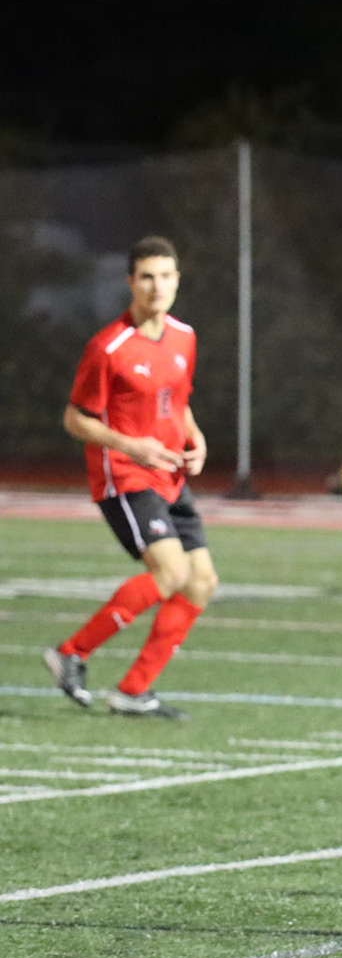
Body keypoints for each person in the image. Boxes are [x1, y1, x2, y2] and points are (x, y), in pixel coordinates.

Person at [42, 237, 215, 720]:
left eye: (166, 276)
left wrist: (196, 437)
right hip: (124, 476)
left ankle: (133, 690)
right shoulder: (108, 347)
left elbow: (176, 401)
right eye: (147, 277)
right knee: (170, 573)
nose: (157, 286)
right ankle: (71, 653)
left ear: (177, 280)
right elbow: (75, 419)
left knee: (200, 583)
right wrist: (130, 445)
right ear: (131, 283)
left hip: (169, 475)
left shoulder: (184, 336)